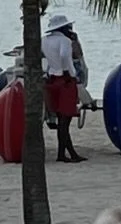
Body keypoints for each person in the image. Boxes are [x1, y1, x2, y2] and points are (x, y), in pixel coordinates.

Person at [43, 13, 84, 162]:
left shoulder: (44, 41)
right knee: (65, 121)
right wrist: (67, 72)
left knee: (61, 119)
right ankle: (68, 153)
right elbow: (64, 56)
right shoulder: (65, 41)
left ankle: (65, 153)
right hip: (65, 81)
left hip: (52, 79)